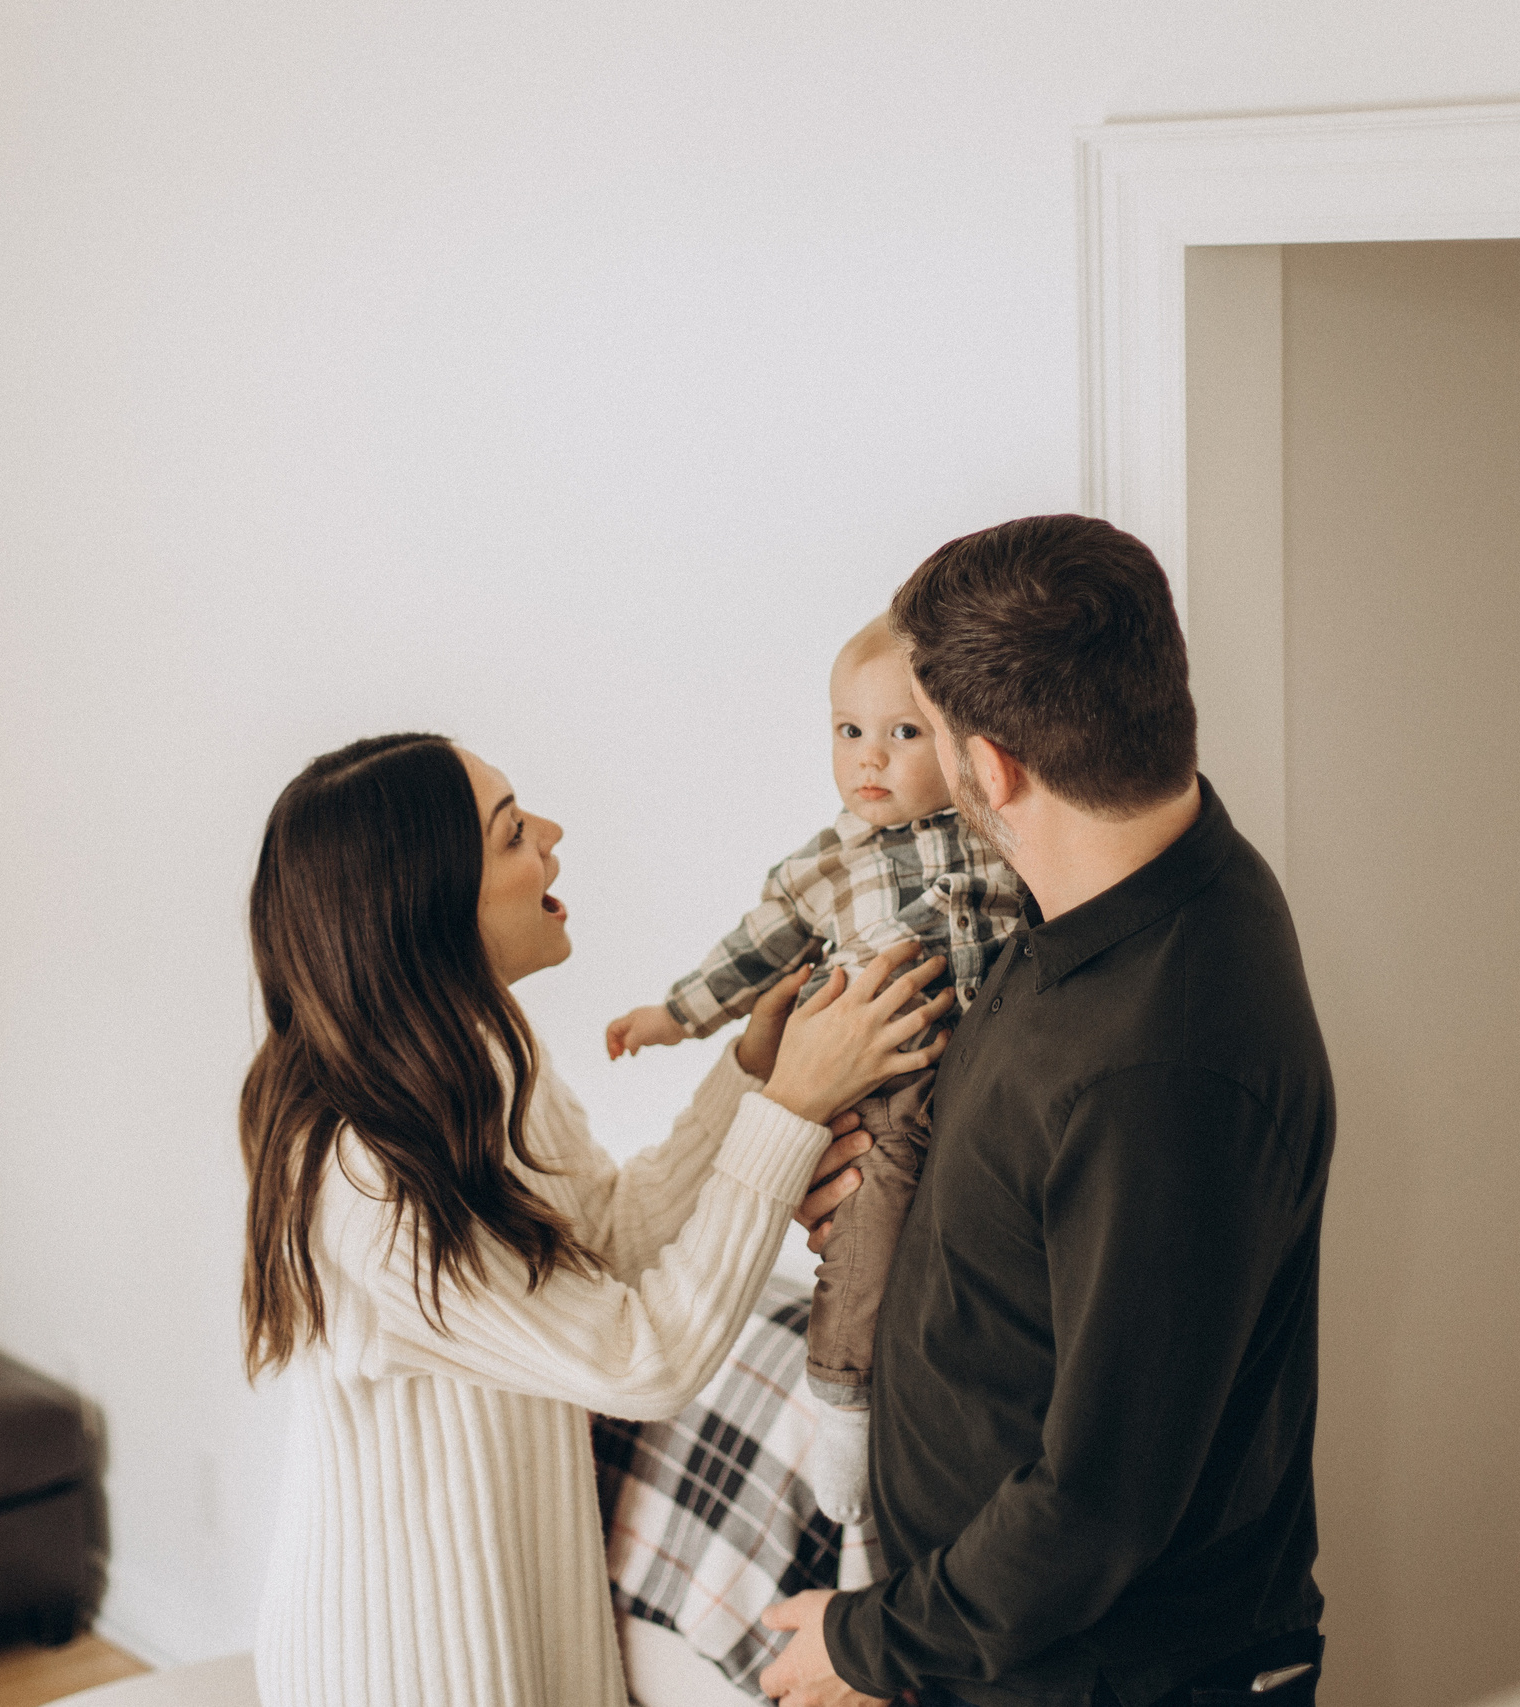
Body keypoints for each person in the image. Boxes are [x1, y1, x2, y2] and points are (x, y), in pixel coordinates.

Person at [241, 732, 954, 1707]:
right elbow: (641, 1361)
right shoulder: (366, 1178)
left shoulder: (479, 1063)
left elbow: (608, 1241)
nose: (552, 834)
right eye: (510, 833)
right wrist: (790, 1108)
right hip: (411, 1673)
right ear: (429, 905)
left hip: (531, 1636)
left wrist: (751, 1072)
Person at [759, 516, 1337, 1707]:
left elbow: (1098, 1500)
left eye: (925, 733)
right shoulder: (1125, 887)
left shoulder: (1156, 1071)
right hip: (1011, 1646)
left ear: (994, 768)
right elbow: (1043, 1201)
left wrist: (867, 1644)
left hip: (1095, 1676)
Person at [604, 614, 1023, 1522]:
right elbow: (752, 952)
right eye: (849, 730)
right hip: (886, 1076)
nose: (870, 757)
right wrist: (672, 1016)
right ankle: (843, 1397)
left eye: (904, 732)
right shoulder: (828, 863)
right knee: (866, 1220)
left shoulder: (999, 829)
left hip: (990, 1064)